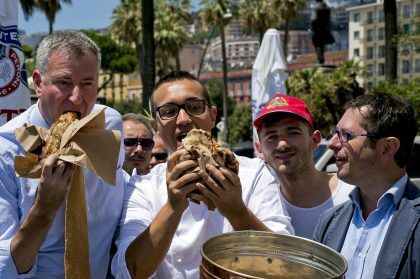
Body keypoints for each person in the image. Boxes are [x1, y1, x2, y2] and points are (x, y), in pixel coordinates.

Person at [112, 71, 293, 278]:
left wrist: (236, 211)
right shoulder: (141, 187)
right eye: (169, 111)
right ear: (155, 127)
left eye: (194, 107)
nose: (183, 119)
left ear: (213, 116)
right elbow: (129, 272)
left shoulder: (254, 174)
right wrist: (172, 207)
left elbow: (285, 263)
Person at [0, 30, 125, 278]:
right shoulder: (6, 148)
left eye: (87, 84)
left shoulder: (108, 124)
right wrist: (44, 208)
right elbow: (5, 269)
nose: (77, 98)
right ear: (38, 82)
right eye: (64, 83)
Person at [314, 93, 419, 278]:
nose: (332, 143)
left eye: (345, 135)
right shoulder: (330, 221)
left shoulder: (416, 220)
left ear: (387, 147)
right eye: (335, 133)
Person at [254, 94, 354, 238]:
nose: (282, 144)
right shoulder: (264, 209)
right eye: (271, 137)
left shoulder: (353, 193)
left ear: (314, 140)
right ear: (259, 149)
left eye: (293, 133)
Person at [122, 113, 154, 180]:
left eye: (146, 143)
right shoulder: (100, 186)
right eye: (129, 142)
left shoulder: (163, 185)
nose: (139, 149)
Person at [310, 0, 335, 64]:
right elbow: (329, 20)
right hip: (325, 30)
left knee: (318, 45)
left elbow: (314, 19)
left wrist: (312, 28)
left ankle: (320, 60)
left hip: (317, 29)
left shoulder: (316, 7)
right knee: (322, 45)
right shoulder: (327, 8)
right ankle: (321, 59)